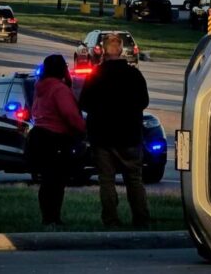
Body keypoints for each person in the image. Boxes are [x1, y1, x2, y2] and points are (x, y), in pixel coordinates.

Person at [79, 33, 151, 228]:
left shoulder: (95, 75)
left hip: (102, 137)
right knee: (134, 179)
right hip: (129, 135)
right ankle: (141, 218)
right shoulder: (134, 75)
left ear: (102, 51)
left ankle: (111, 219)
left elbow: (84, 103)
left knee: (106, 180)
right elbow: (144, 101)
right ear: (121, 51)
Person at [27, 54, 86, 226]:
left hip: (39, 136)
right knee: (57, 181)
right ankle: (53, 217)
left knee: (47, 181)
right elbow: (69, 114)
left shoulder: (40, 87)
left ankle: (47, 216)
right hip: (55, 139)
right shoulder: (59, 89)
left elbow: (34, 110)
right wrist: (82, 128)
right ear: (62, 69)